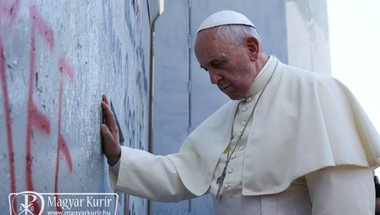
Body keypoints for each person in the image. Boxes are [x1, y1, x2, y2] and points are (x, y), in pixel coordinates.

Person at [101, 10, 380, 214]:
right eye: (206, 69)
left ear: (251, 48)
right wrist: (119, 156)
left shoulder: (317, 92)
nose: (213, 78)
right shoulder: (227, 117)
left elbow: (344, 203)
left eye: (218, 63)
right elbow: (179, 175)